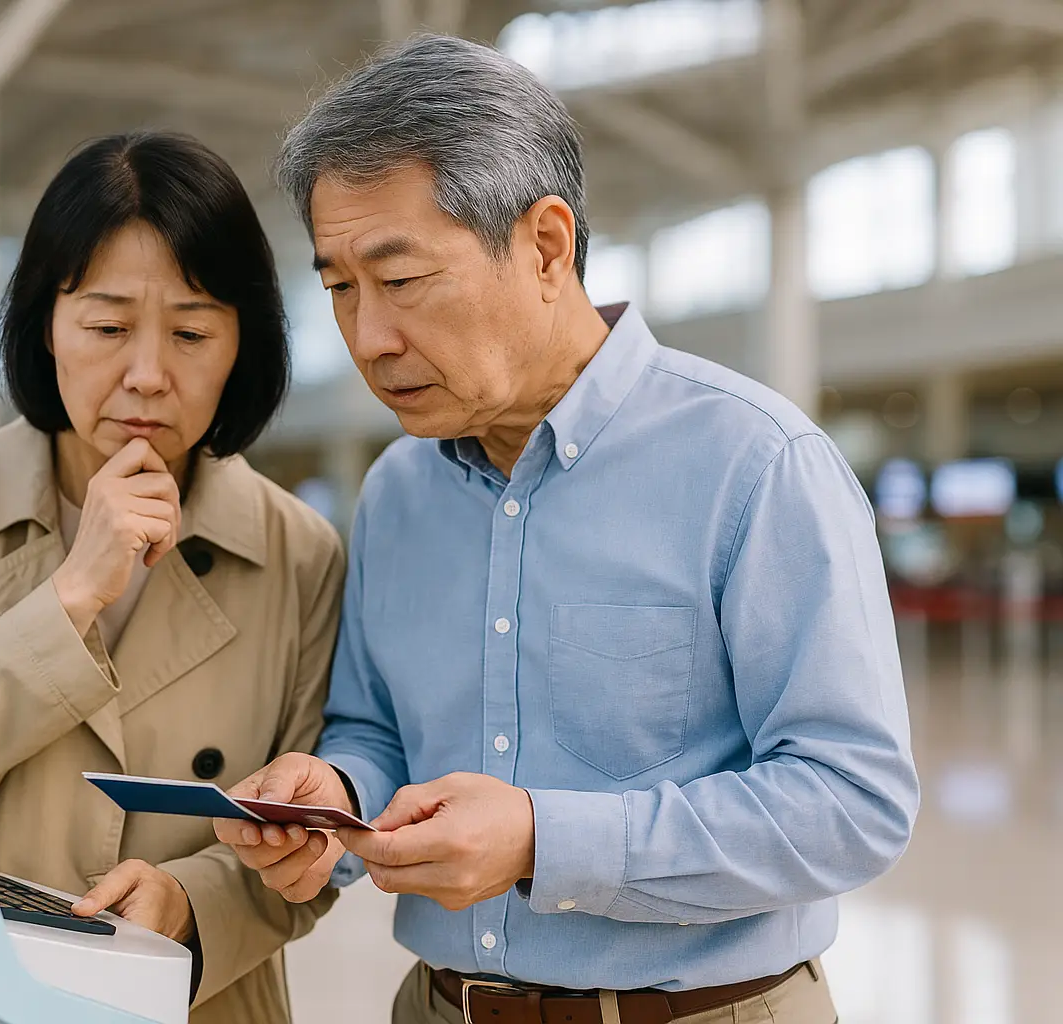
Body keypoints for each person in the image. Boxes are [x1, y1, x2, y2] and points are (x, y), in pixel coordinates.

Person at [215, 35, 919, 1024]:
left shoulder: (754, 466)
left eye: (402, 278)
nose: (369, 337)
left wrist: (545, 838)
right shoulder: (398, 492)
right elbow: (376, 730)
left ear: (546, 245)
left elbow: (852, 801)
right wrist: (331, 793)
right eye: (339, 287)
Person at [0, 130, 346, 1024]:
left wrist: (193, 900)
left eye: (193, 332)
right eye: (106, 326)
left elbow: (311, 848)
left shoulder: (301, 553)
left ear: (243, 343)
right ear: (45, 329)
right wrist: (69, 597)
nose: (147, 375)